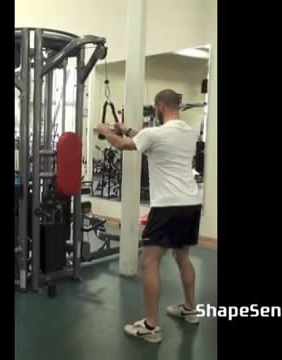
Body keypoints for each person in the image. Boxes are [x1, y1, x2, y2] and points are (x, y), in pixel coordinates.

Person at [97, 89, 202, 344]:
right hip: (192, 202)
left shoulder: (155, 133)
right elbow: (146, 139)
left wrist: (105, 129)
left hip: (168, 206)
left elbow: (123, 145)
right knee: (182, 255)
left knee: (149, 261)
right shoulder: (189, 132)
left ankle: (151, 326)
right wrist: (127, 128)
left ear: (159, 106)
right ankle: (190, 308)